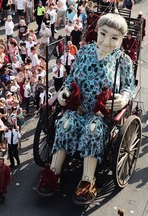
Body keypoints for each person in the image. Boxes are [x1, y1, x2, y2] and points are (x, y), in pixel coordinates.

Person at [36, 13, 136, 204]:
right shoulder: (84, 52)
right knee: (64, 124)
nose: (106, 42)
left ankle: (88, 179)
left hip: (101, 115)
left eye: (114, 38)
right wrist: (65, 91)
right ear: (97, 32)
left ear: (121, 39)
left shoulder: (122, 61)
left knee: (93, 130)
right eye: (103, 34)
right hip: (79, 108)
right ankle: (54, 172)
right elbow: (71, 77)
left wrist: (123, 99)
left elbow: (129, 87)